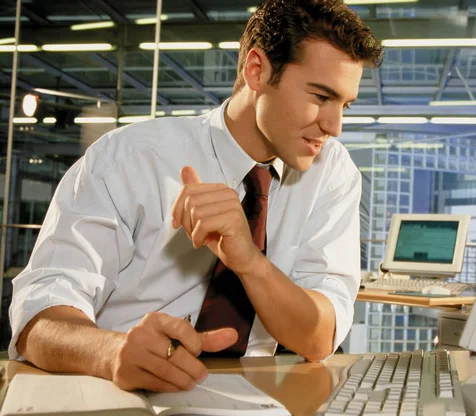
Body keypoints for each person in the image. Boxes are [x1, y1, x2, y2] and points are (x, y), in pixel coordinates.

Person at [9, 0, 383, 393]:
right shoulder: (129, 159)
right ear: (257, 71)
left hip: (250, 398)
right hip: (120, 394)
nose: (335, 125)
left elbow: (318, 339)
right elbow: (37, 318)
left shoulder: (332, 172)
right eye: (321, 97)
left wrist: (251, 264)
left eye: (345, 104)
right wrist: (110, 352)